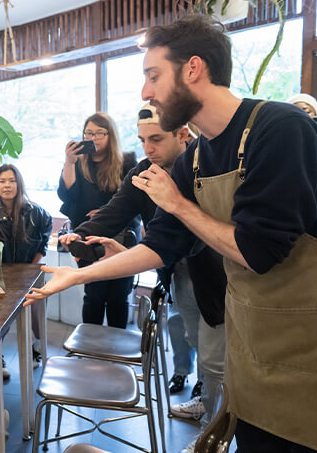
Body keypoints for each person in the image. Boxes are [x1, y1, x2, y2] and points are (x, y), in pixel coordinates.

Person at [26, 15, 317, 452]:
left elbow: (258, 251)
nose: (146, 92)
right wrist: (77, 276)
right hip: (253, 344)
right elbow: (161, 243)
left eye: (153, 75)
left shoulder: (280, 128)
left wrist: (176, 202)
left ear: (193, 68)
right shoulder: (195, 158)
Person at [61, 104, 227, 450]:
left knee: (214, 357)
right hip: (175, 271)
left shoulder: (206, 163)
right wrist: (80, 234)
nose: (149, 148)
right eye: (143, 140)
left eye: (156, 139)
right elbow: (115, 211)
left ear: (183, 134)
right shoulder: (144, 171)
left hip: (213, 274)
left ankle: (215, 437)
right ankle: (209, 407)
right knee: (194, 341)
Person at [57, 112, 139, 328]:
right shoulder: (79, 163)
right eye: (88, 133)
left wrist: (104, 212)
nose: (93, 138)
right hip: (87, 237)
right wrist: (69, 162)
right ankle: (89, 350)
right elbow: (67, 195)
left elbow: (135, 202)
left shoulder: (127, 161)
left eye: (99, 133)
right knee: (93, 295)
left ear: (110, 135)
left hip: (122, 237)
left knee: (118, 297)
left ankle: (115, 352)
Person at [0, 164, 52, 374]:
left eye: (12, 181)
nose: (7, 185)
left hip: (28, 274)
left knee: (34, 304)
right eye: (2, 181)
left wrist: (31, 270)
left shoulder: (37, 213)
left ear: (19, 184)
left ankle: (36, 346)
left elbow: (43, 242)